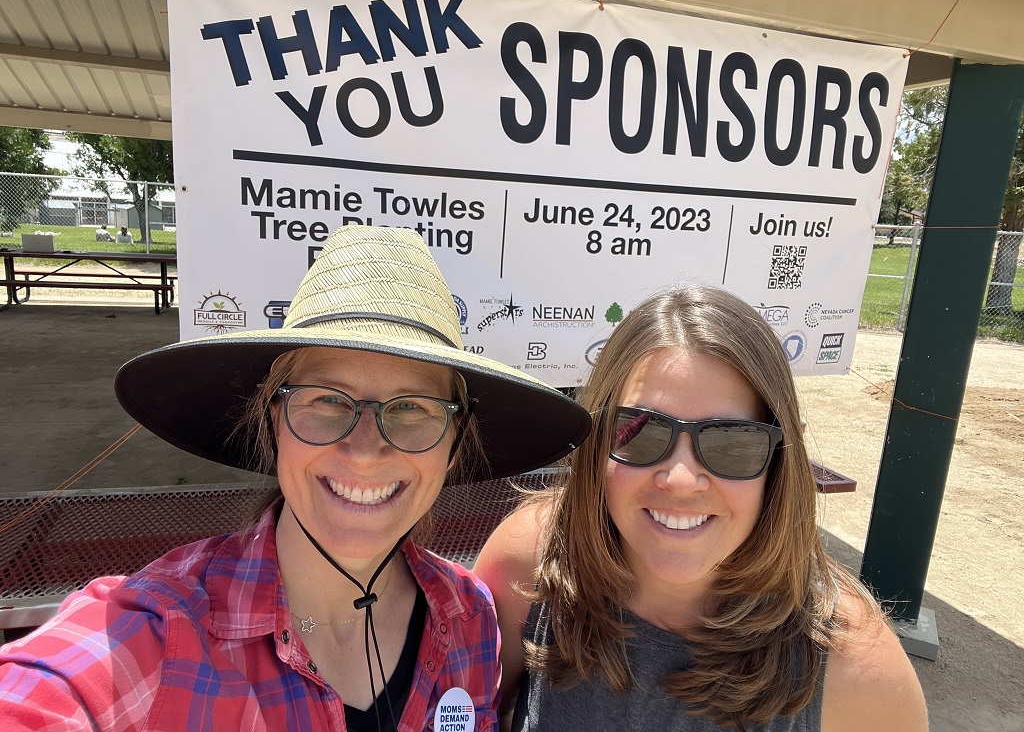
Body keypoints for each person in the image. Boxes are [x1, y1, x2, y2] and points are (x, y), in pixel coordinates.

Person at [0, 225, 591, 731]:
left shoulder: (469, 620)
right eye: (326, 401)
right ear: (271, 419)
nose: (365, 452)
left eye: (413, 408)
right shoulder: (153, 638)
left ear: (454, 444)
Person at [475, 286, 928, 732]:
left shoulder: (859, 672)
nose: (681, 479)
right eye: (642, 432)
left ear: (778, 461)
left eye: (731, 441)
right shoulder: (528, 566)